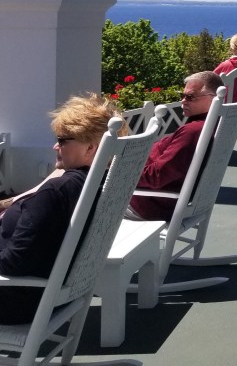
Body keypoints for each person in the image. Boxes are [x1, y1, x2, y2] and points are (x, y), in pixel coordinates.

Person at [0, 94, 125, 324]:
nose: (55, 145)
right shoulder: (100, 183)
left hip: (17, 299)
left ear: (90, 148)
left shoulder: (57, 191)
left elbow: (14, 264)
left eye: (63, 140)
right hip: (58, 295)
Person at [127, 71, 224, 221]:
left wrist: (118, 173)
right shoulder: (215, 125)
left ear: (213, 99)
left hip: (145, 202)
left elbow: (157, 176)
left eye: (190, 97)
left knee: (84, 194)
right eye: (183, 95)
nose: (183, 101)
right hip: (156, 197)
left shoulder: (193, 132)